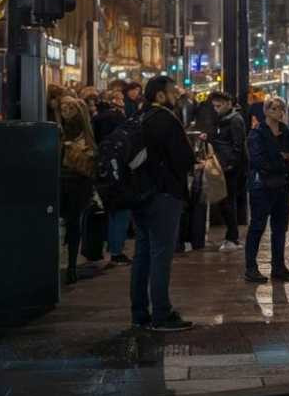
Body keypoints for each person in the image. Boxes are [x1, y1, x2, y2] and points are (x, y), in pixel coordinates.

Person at [130, 75, 195, 331]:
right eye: (172, 92)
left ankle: (138, 313)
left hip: (140, 195)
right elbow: (184, 158)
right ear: (160, 95)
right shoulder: (166, 119)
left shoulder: (138, 117)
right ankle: (161, 314)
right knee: (161, 256)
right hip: (164, 195)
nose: (176, 97)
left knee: (142, 254)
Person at [244, 96, 289, 283]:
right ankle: (251, 267)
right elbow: (258, 160)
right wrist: (282, 159)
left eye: (281, 108)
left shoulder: (285, 131)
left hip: (283, 186)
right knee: (258, 226)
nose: (279, 112)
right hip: (263, 187)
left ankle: (278, 266)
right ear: (266, 111)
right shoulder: (257, 133)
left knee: (280, 228)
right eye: (275, 108)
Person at [55, 96, 96, 285]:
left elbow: (91, 154)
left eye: (69, 108)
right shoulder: (64, 129)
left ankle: (70, 265)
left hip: (73, 181)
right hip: (72, 182)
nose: (66, 111)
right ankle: (70, 266)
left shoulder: (68, 130)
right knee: (72, 225)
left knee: (72, 224)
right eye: (63, 108)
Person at [92, 91, 131, 266]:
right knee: (121, 212)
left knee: (111, 213)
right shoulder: (119, 133)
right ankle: (116, 250)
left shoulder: (97, 121)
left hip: (103, 174)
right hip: (118, 176)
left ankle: (108, 248)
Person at [209, 91, 247, 252]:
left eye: (219, 106)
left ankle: (233, 237)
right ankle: (232, 236)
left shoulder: (234, 120)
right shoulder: (223, 120)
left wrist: (231, 164)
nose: (216, 109)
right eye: (214, 106)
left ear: (228, 104)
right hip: (223, 165)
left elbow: (238, 145)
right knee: (225, 202)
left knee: (227, 202)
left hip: (230, 168)